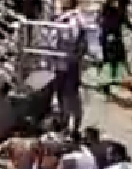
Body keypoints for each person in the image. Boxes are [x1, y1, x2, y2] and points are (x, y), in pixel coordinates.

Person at [56, 0, 92, 132]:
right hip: (62, 61)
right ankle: (66, 124)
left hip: (69, 62)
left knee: (69, 94)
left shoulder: (73, 19)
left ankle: (72, 126)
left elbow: (70, 38)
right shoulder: (65, 16)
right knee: (63, 94)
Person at [99, 0, 132, 95]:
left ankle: (112, 80)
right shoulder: (109, 10)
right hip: (108, 38)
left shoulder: (118, 12)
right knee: (108, 61)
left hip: (113, 38)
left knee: (116, 60)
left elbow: (125, 21)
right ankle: (106, 84)